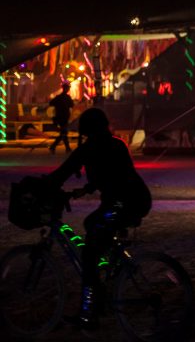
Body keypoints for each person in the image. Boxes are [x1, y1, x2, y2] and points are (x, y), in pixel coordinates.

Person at [45, 108, 152, 330]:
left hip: (123, 203)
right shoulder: (115, 144)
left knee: (89, 252)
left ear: (88, 130)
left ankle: (89, 313)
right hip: (133, 199)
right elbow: (113, 172)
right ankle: (110, 270)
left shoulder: (91, 148)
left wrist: (41, 187)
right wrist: (84, 190)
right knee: (92, 225)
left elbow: (62, 172)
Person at [48, 83, 74, 153]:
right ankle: (54, 146)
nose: (68, 89)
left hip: (60, 117)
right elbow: (72, 105)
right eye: (68, 88)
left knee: (63, 133)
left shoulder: (58, 97)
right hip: (63, 117)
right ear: (65, 88)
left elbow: (51, 103)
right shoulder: (66, 98)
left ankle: (65, 148)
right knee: (64, 133)